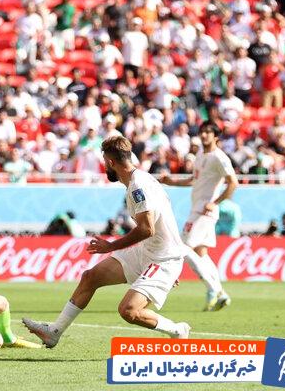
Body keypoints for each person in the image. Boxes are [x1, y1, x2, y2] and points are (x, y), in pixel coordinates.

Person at [23, 136, 190, 348]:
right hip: (149, 252)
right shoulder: (140, 179)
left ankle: (177, 330)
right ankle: (54, 332)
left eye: (104, 162)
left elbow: (147, 229)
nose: (105, 167)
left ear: (110, 162)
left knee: (129, 311)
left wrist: (111, 246)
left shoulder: (138, 186)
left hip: (163, 259)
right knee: (90, 277)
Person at [161, 122, 238, 311]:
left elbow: (233, 183)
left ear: (216, 136)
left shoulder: (220, 157)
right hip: (197, 209)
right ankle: (220, 293)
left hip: (204, 211)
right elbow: (194, 180)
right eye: (202, 132)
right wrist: (172, 181)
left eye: (208, 132)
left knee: (182, 247)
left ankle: (214, 289)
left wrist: (215, 202)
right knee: (201, 253)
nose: (204, 135)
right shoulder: (201, 155)